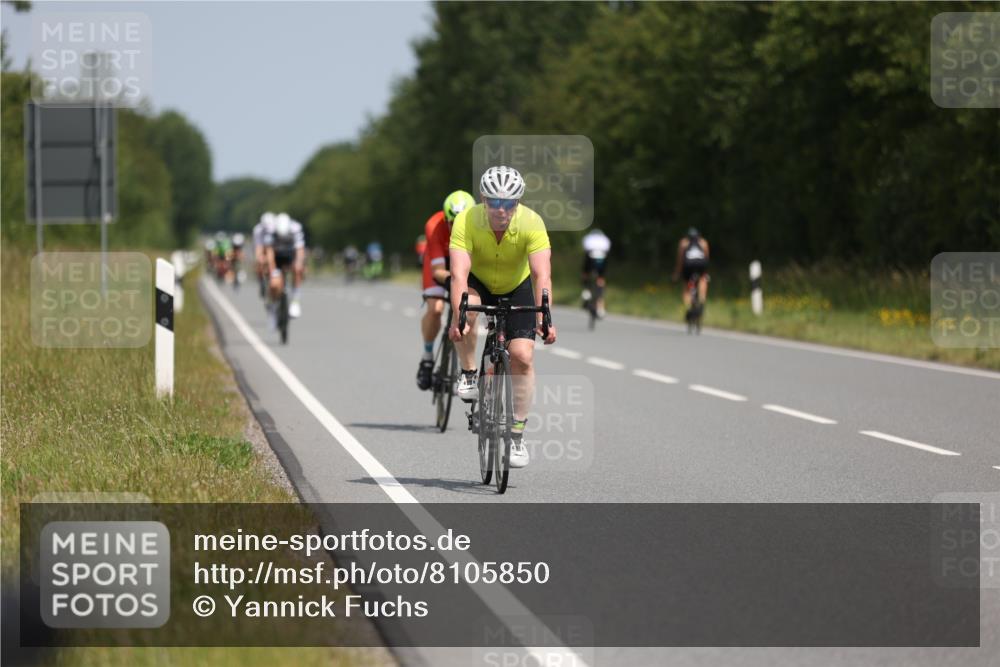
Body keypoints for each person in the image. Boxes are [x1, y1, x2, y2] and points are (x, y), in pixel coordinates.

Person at [449, 166, 557, 469]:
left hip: (516, 285)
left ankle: (517, 436)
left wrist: (544, 317)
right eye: (494, 201)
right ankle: (470, 372)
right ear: (483, 198)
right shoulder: (466, 220)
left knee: (522, 355)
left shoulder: (532, 222)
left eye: (508, 203)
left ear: (518, 202)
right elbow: (458, 273)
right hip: (478, 281)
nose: (500, 209)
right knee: (467, 308)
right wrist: (459, 317)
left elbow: (541, 274)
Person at [416, 190, 475, 391]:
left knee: (471, 314)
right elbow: (437, 270)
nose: (457, 227)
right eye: (453, 222)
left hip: (463, 263)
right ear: (446, 218)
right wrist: (455, 279)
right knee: (436, 309)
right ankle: (427, 358)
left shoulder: (480, 227)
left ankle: (468, 367)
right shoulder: (435, 226)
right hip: (441, 266)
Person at [265, 212, 306, 322]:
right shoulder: (271, 229)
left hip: (290, 254)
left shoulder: (296, 228)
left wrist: (299, 263)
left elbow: (300, 250)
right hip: (276, 255)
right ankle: (273, 307)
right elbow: (269, 252)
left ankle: (295, 301)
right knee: (274, 284)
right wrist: (273, 270)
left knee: (298, 270)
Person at [672, 226, 710, 315]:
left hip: (688, 266)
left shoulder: (683, 243)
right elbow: (706, 258)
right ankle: (701, 301)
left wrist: (677, 273)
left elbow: (680, 260)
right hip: (701, 265)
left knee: (686, 287)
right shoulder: (703, 242)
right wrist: (705, 272)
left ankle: (688, 308)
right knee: (702, 280)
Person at [581, 228, 611, 318]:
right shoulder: (605, 239)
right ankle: (600, 307)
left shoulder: (588, 238)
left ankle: (586, 291)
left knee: (585, 273)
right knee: (601, 279)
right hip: (602, 259)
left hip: (590, 258)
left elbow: (585, 249)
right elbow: (607, 250)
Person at [253, 212, 276, 299]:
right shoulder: (257, 230)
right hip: (262, 248)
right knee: (259, 263)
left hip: (274, 248)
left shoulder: (276, 228)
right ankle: (261, 282)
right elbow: (258, 247)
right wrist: (260, 258)